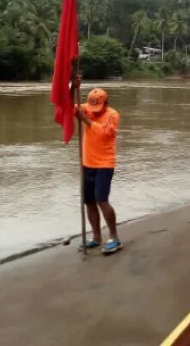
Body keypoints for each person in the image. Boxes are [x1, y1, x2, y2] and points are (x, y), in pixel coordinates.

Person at [71, 74, 122, 254]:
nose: (95, 110)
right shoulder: (88, 108)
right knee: (89, 201)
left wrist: (85, 119)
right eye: (92, 106)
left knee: (102, 200)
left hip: (104, 164)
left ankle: (114, 237)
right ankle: (96, 237)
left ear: (105, 103)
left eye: (98, 106)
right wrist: (73, 87)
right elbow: (68, 106)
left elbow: (105, 134)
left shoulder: (112, 115)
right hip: (88, 163)